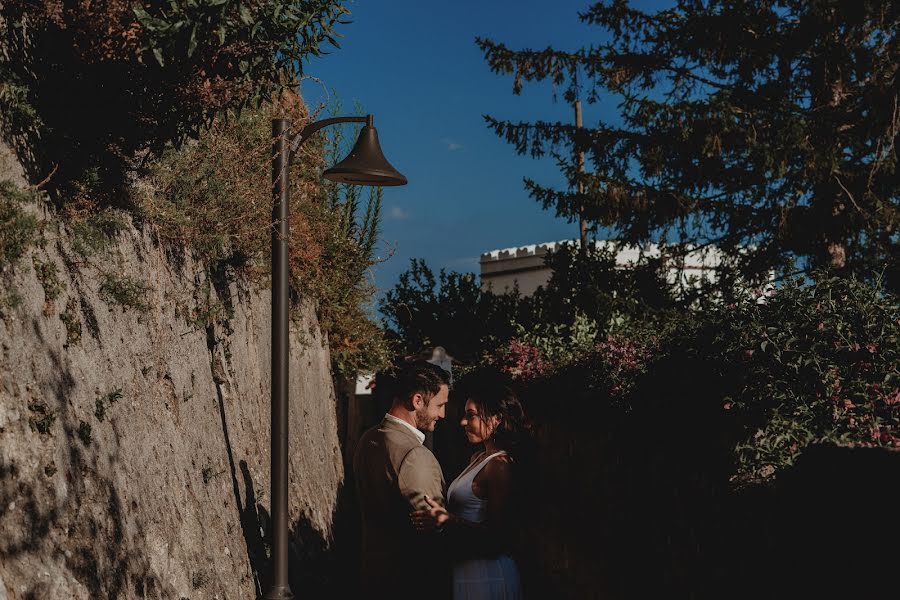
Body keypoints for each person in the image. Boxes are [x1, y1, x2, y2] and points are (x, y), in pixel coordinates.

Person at [412, 370, 527, 600]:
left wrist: (448, 520)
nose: (462, 422)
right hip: (466, 570)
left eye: (471, 415)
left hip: (487, 575)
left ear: (497, 418)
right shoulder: (477, 458)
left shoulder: (499, 465)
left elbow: (499, 537)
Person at [353, 361, 451, 598]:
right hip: (410, 584)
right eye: (440, 405)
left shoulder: (368, 439)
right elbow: (433, 538)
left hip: (372, 577)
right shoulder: (415, 455)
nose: (443, 414)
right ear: (417, 400)